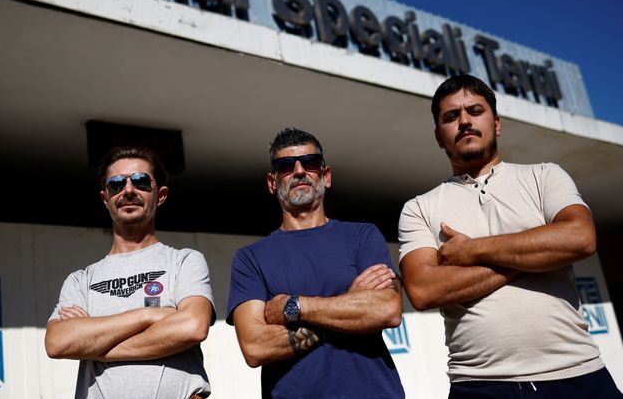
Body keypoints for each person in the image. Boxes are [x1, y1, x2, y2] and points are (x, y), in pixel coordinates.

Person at [399, 74, 623, 398]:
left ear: (497, 123)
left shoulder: (544, 176)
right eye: (451, 116)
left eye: (475, 111)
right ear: (438, 136)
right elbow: (422, 290)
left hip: (578, 373)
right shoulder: (419, 208)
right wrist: (539, 254)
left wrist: (474, 250)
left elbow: (580, 238)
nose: (464, 121)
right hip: (479, 384)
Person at [227, 128, 405, 399]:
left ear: (326, 175)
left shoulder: (362, 236)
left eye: (310, 163)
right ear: (272, 182)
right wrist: (350, 304)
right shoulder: (250, 258)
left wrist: (295, 306)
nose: (299, 171)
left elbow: (388, 309)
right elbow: (255, 347)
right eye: (286, 166)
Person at [45, 145, 215, 399]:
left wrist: (92, 344)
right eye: (116, 184)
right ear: (105, 198)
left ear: (161, 195)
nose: (128, 190)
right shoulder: (81, 280)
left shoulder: (184, 261)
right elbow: (57, 342)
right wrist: (146, 315)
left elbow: (193, 327)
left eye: (141, 181)